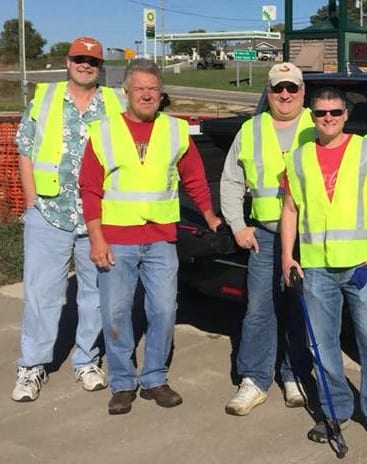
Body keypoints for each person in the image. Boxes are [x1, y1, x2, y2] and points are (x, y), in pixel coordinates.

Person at [79, 58, 222, 415]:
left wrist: (209, 215)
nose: (146, 95)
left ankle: (155, 378)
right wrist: (97, 239)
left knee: (163, 310)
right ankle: (123, 383)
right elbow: (90, 189)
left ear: (161, 94)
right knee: (116, 312)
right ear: (126, 92)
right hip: (116, 240)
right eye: (140, 88)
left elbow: (194, 178)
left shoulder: (175, 131)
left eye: (153, 89)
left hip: (161, 239)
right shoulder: (104, 131)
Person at [281, 87, 367, 449]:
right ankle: (334, 410)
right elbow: (290, 209)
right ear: (312, 116)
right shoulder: (298, 158)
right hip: (316, 269)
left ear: (345, 115)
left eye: (335, 113)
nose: (328, 118)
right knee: (322, 347)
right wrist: (287, 257)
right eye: (321, 113)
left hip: (361, 267)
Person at [12, 36, 126, 402]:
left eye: (92, 61)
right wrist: (31, 202)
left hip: (98, 218)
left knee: (95, 294)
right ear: (68, 61)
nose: (85, 66)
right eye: (79, 59)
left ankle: (87, 360)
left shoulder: (116, 102)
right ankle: (32, 366)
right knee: (41, 295)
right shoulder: (43, 99)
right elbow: (25, 151)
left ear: (100, 66)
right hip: (49, 213)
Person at [220, 63, 315, 416]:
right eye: (278, 88)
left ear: (303, 92)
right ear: (269, 92)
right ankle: (254, 379)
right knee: (259, 310)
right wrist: (237, 225)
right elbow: (231, 180)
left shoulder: (319, 124)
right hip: (265, 235)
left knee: (301, 309)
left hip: (309, 239)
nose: (285, 95)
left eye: (292, 88)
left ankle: (294, 374)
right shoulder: (251, 129)